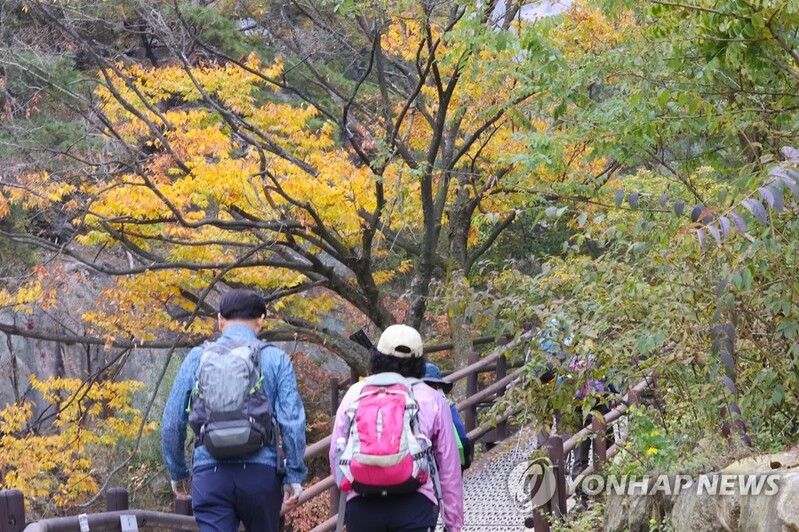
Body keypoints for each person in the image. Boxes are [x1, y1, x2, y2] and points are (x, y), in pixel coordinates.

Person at [161, 289, 308, 532]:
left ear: (220, 320)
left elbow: (172, 422)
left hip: (210, 473)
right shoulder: (275, 359)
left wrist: (178, 472)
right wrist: (294, 474)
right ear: (261, 319)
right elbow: (292, 421)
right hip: (261, 474)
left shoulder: (197, 357)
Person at [329, 324, 464, 532]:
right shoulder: (432, 399)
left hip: (363, 505)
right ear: (419, 362)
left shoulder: (355, 394)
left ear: (377, 356)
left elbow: (336, 454)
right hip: (414, 504)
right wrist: (453, 524)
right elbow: (449, 467)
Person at [422, 362, 474, 471]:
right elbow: (462, 438)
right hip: (448, 464)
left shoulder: (410, 406)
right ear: (438, 385)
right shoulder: (446, 405)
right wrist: (465, 461)